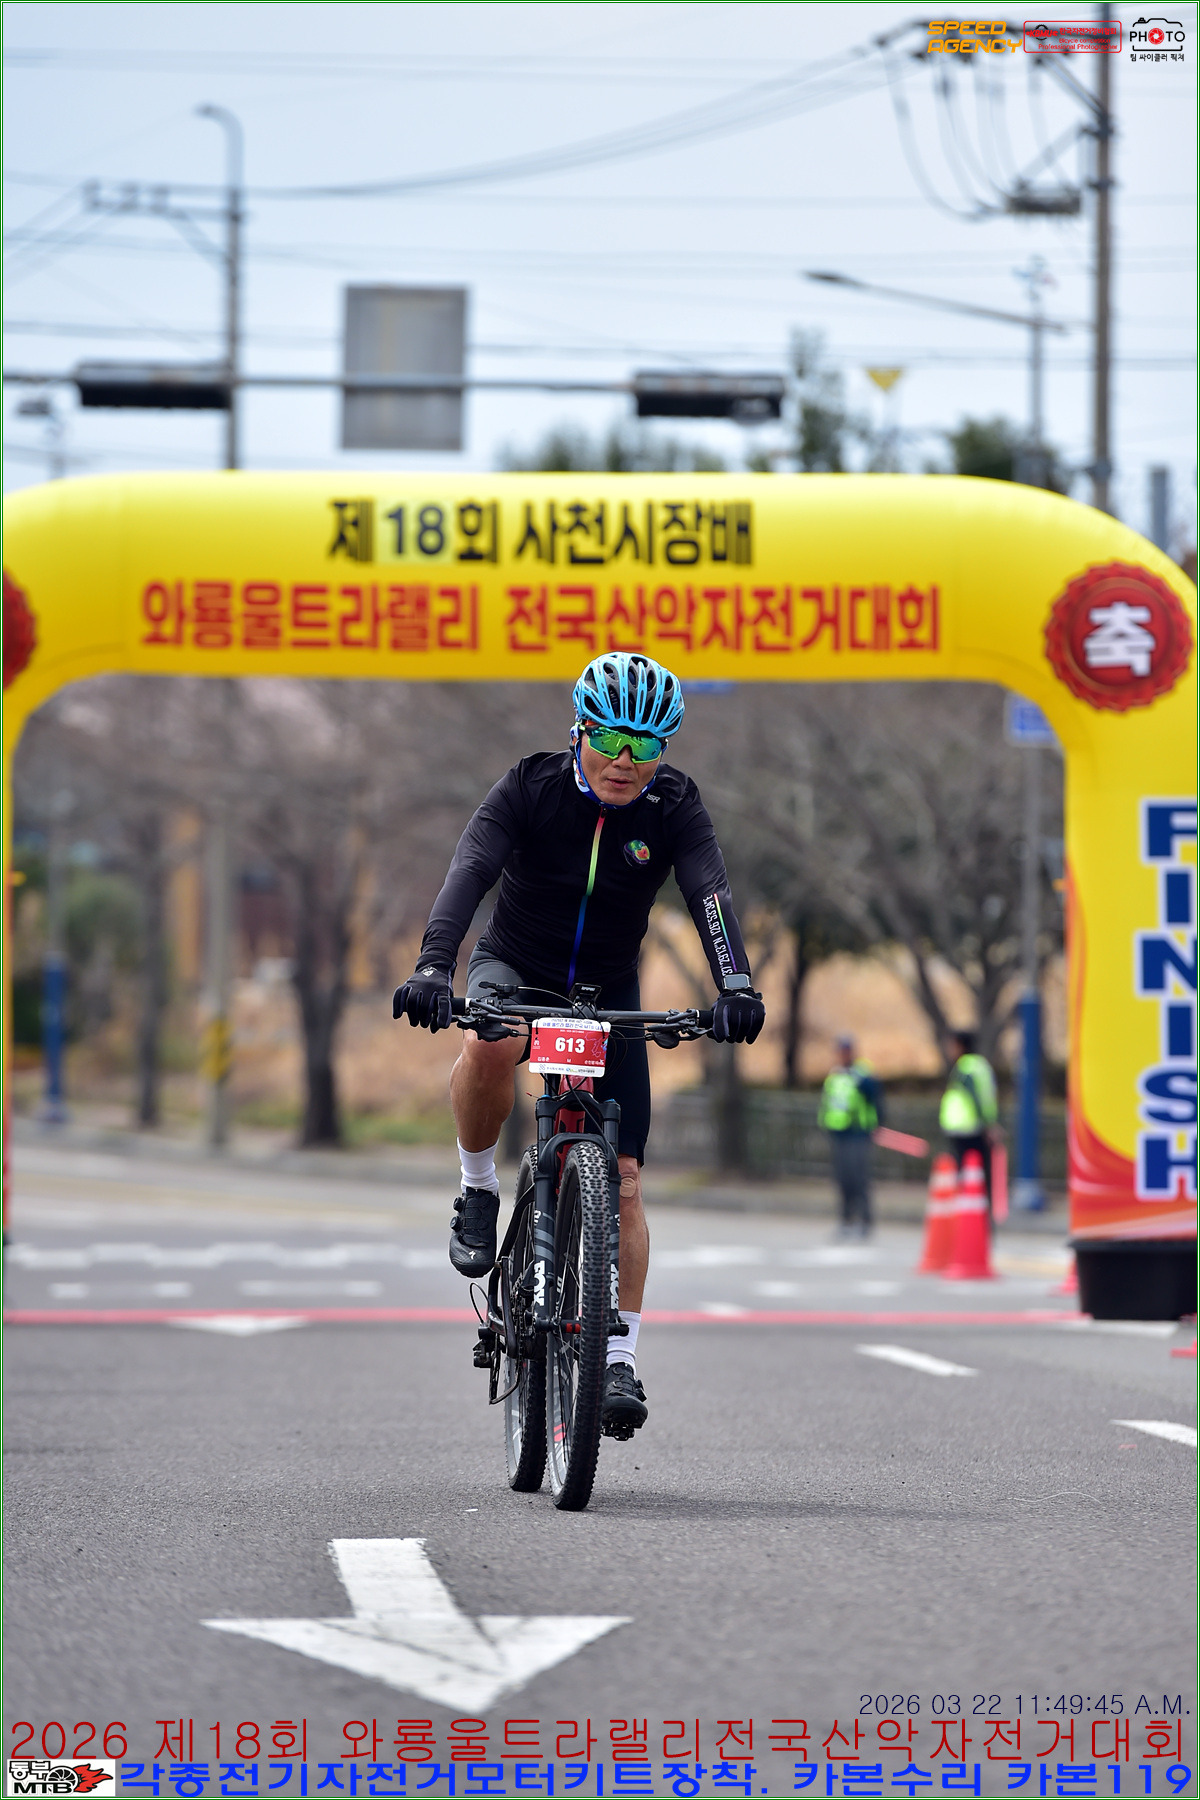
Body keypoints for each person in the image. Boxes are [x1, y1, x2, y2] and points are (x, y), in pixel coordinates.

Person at [393, 652, 765, 1439]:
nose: (625, 761)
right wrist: (432, 966)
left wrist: (735, 984)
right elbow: (470, 871)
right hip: (513, 967)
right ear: (579, 730)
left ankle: (618, 1357)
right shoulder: (528, 786)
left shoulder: (673, 804)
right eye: (610, 739)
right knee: (490, 1047)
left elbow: (710, 892)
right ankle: (477, 1187)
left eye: (646, 744)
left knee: (623, 1184)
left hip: (607, 988)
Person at [817, 1034, 885, 1238]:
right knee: (843, 1180)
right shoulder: (835, 1075)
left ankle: (864, 1221)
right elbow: (828, 1103)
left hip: (858, 1133)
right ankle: (846, 1220)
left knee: (859, 1179)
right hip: (839, 1134)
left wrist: (877, 1125)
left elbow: (876, 1099)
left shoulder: (862, 1074)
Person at [939, 1027, 1000, 1208]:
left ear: (960, 1046)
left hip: (966, 1128)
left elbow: (975, 1097)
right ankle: (983, 1210)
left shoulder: (965, 1068)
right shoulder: (981, 1065)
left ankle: (969, 1211)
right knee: (981, 1172)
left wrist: (987, 1125)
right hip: (973, 1126)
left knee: (967, 1172)